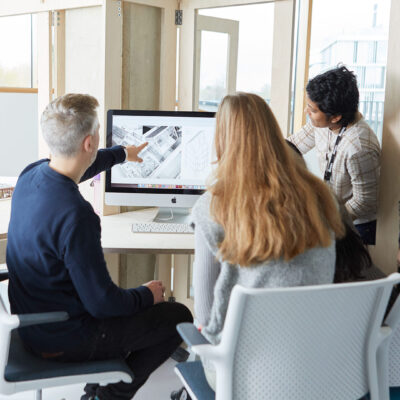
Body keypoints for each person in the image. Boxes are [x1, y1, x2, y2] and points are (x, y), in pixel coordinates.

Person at [6, 93, 193, 400]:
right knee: (177, 317)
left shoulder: (31, 175)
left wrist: (121, 154)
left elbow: (82, 168)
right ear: (89, 143)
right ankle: (106, 397)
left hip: (32, 324)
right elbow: (103, 304)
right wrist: (147, 294)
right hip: (66, 339)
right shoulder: (77, 215)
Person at [171, 92, 345, 397]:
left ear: (223, 139)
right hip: (315, 369)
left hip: (246, 376)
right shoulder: (320, 195)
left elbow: (207, 312)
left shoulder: (214, 206)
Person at [288, 66, 381, 245]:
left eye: (313, 110)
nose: (308, 113)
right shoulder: (322, 124)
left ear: (336, 117)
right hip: (333, 215)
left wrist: (327, 218)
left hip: (358, 227)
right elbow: (293, 146)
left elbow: (365, 201)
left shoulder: (359, 147)